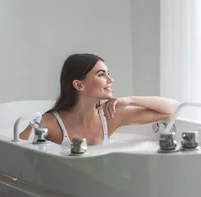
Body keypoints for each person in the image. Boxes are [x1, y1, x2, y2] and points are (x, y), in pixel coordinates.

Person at [20, 53, 180, 146]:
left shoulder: (111, 117)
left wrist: (130, 100)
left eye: (108, 73)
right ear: (79, 85)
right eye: (101, 74)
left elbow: (175, 108)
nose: (110, 80)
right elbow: (17, 151)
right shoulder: (49, 123)